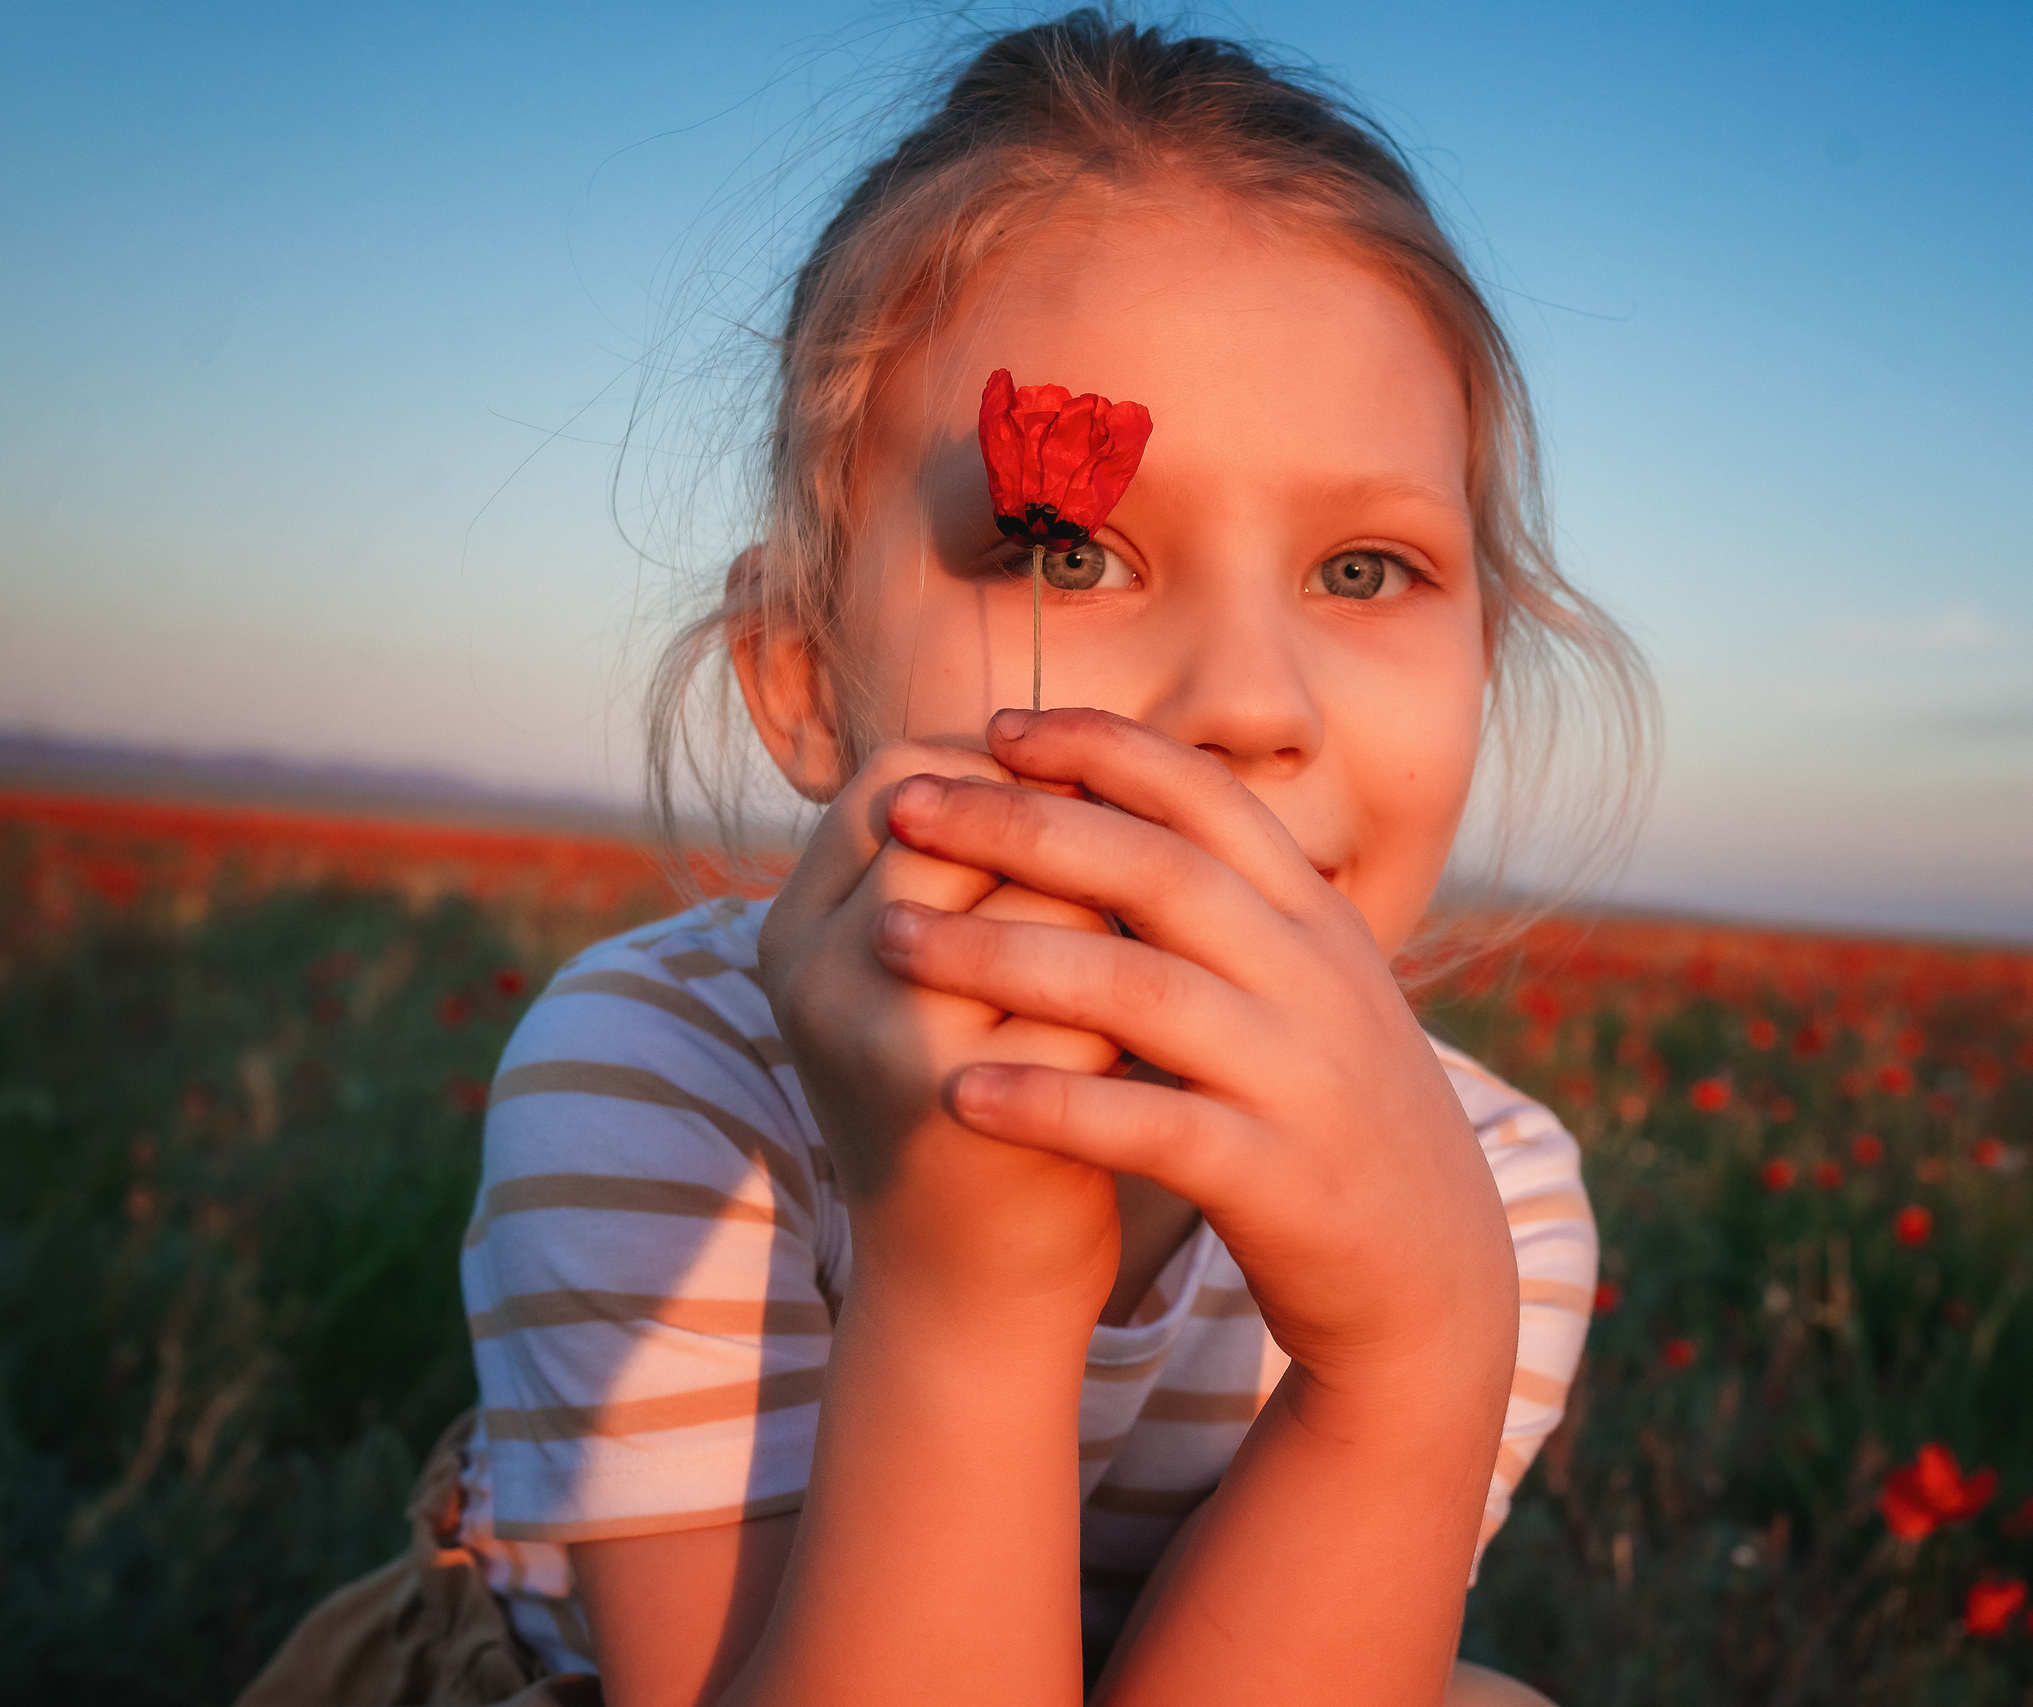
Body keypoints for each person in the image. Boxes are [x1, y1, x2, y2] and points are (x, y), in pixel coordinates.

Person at [239, 12, 1651, 1705]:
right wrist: (968, 1284)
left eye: (1364, 571)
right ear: (801, 683)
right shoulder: (673, 1091)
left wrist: (1415, 1363)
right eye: (1063, 548)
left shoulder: (1484, 1193)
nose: (1254, 707)